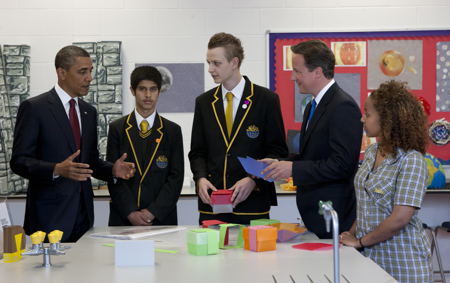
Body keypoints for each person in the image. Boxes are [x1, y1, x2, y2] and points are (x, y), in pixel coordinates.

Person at [10, 45, 135, 242]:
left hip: (83, 217)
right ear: (62, 73)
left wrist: (112, 170)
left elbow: (89, 162)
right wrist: (57, 169)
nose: (89, 78)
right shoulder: (35, 108)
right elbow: (19, 161)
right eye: (82, 72)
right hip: (48, 219)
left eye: (91, 71)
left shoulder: (88, 112)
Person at [262, 40, 363, 238]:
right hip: (315, 214)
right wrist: (281, 163)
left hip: (335, 214)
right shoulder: (312, 106)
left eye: (298, 71)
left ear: (317, 72)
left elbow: (343, 165)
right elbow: (312, 156)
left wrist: (292, 169)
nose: (292, 77)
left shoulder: (343, 106)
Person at [189, 32, 288, 224]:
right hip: (212, 202)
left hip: (252, 203)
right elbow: (197, 152)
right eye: (208, 62)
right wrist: (200, 178)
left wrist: (254, 180)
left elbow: (277, 152)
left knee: (253, 254)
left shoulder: (266, 99)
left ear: (234, 62)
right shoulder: (204, 102)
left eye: (216, 63)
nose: (210, 69)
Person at [340, 80, 432, 282]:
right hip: (369, 258)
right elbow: (368, 204)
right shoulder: (372, 152)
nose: (362, 119)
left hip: (403, 263)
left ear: (388, 119)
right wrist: (350, 234)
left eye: (368, 113)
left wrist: (360, 242)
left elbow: (399, 219)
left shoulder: (411, 160)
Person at [106, 66, 184, 226]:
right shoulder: (117, 128)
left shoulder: (172, 131)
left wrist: (153, 212)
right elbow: (113, 177)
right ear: (132, 90)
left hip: (161, 218)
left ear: (159, 91)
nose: (148, 95)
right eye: (142, 89)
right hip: (124, 218)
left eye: (153, 89)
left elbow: (176, 178)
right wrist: (130, 212)